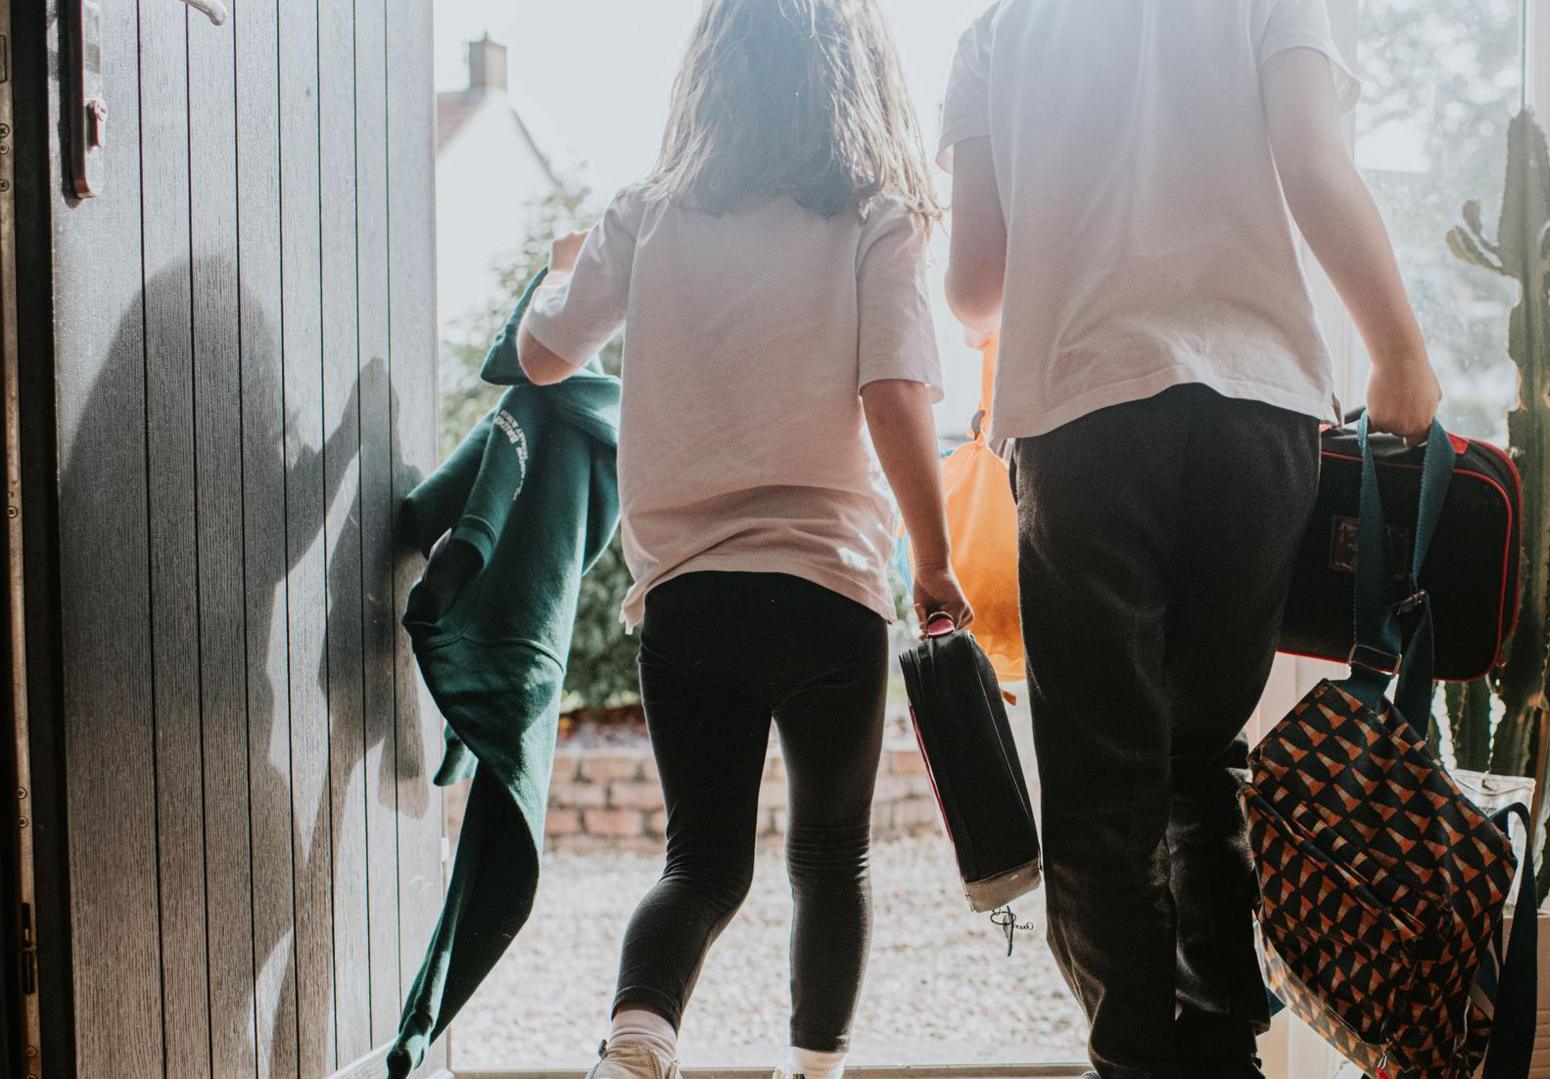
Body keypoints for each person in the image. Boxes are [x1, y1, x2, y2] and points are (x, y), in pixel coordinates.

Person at [940, 2, 1443, 1077]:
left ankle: (1135, 1059)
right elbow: (1312, 164)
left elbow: (974, 287)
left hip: (1084, 422)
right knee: (1203, 761)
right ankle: (1224, 1051)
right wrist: (1398, 348)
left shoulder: (999, 33)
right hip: (1256, 415)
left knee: (1102, 781)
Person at [514, 2, 970, 1077]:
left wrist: (561, 265)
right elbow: (897, 393)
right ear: (855, 76)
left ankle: (635, 1041)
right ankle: (814, 1072)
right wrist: (936, 560)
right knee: (830, 858)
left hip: (692, 596)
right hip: (830, 590)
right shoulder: (877, 213)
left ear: (710, 73)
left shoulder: (649, 212)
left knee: (702, 865)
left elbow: (541, 354)